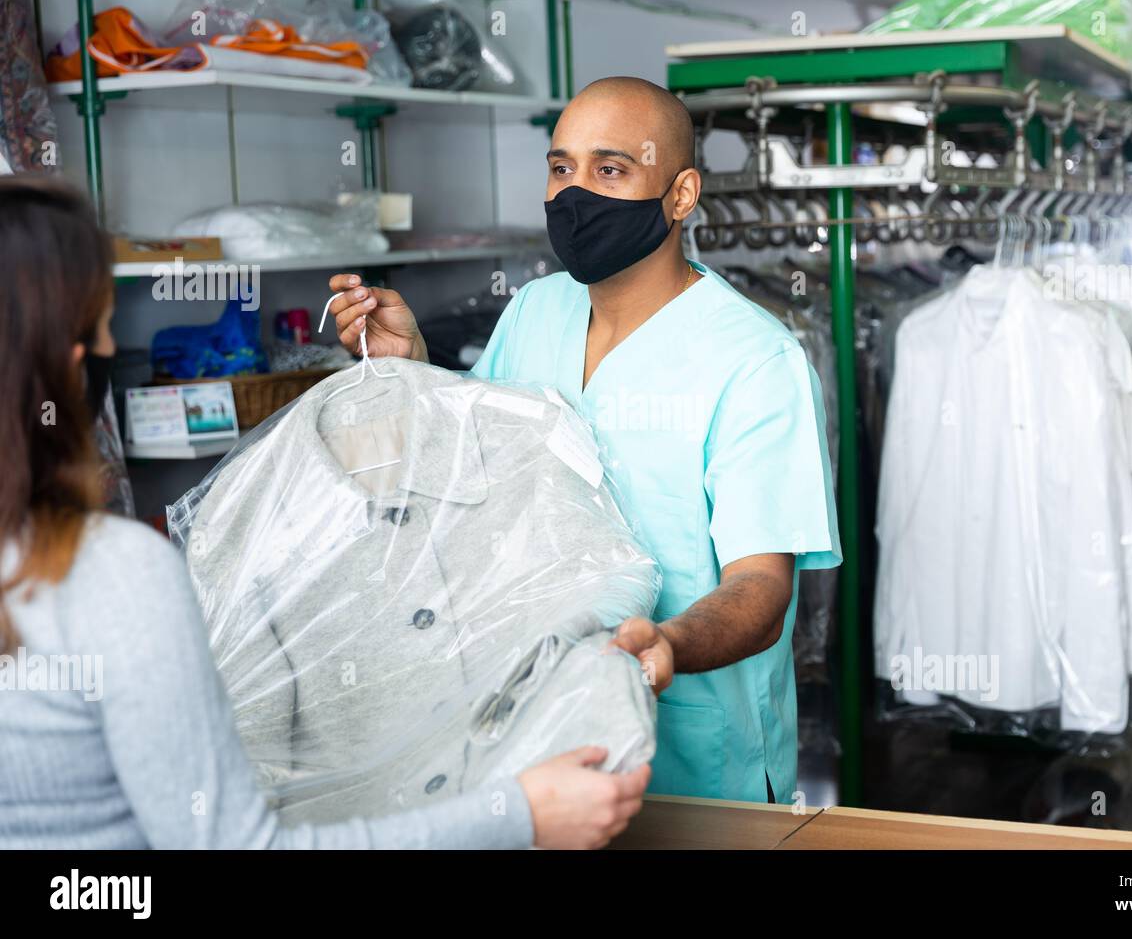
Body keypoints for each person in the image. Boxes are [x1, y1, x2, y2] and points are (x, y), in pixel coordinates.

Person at [0, 175, 648, 849]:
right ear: (72, 363)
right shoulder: (115, 573)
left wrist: (411, 379)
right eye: (106, 327)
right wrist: (520, 816)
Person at [327, 76, 841, 805]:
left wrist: (666, 645)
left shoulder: (755, 358)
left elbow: (760, 586)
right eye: (560, 167)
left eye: (610, 169)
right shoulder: (536, 310)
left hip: (695, 752)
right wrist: (413, 368)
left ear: (682, 194)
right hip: (540, 731)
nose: (574, 193)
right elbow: (476, 472)